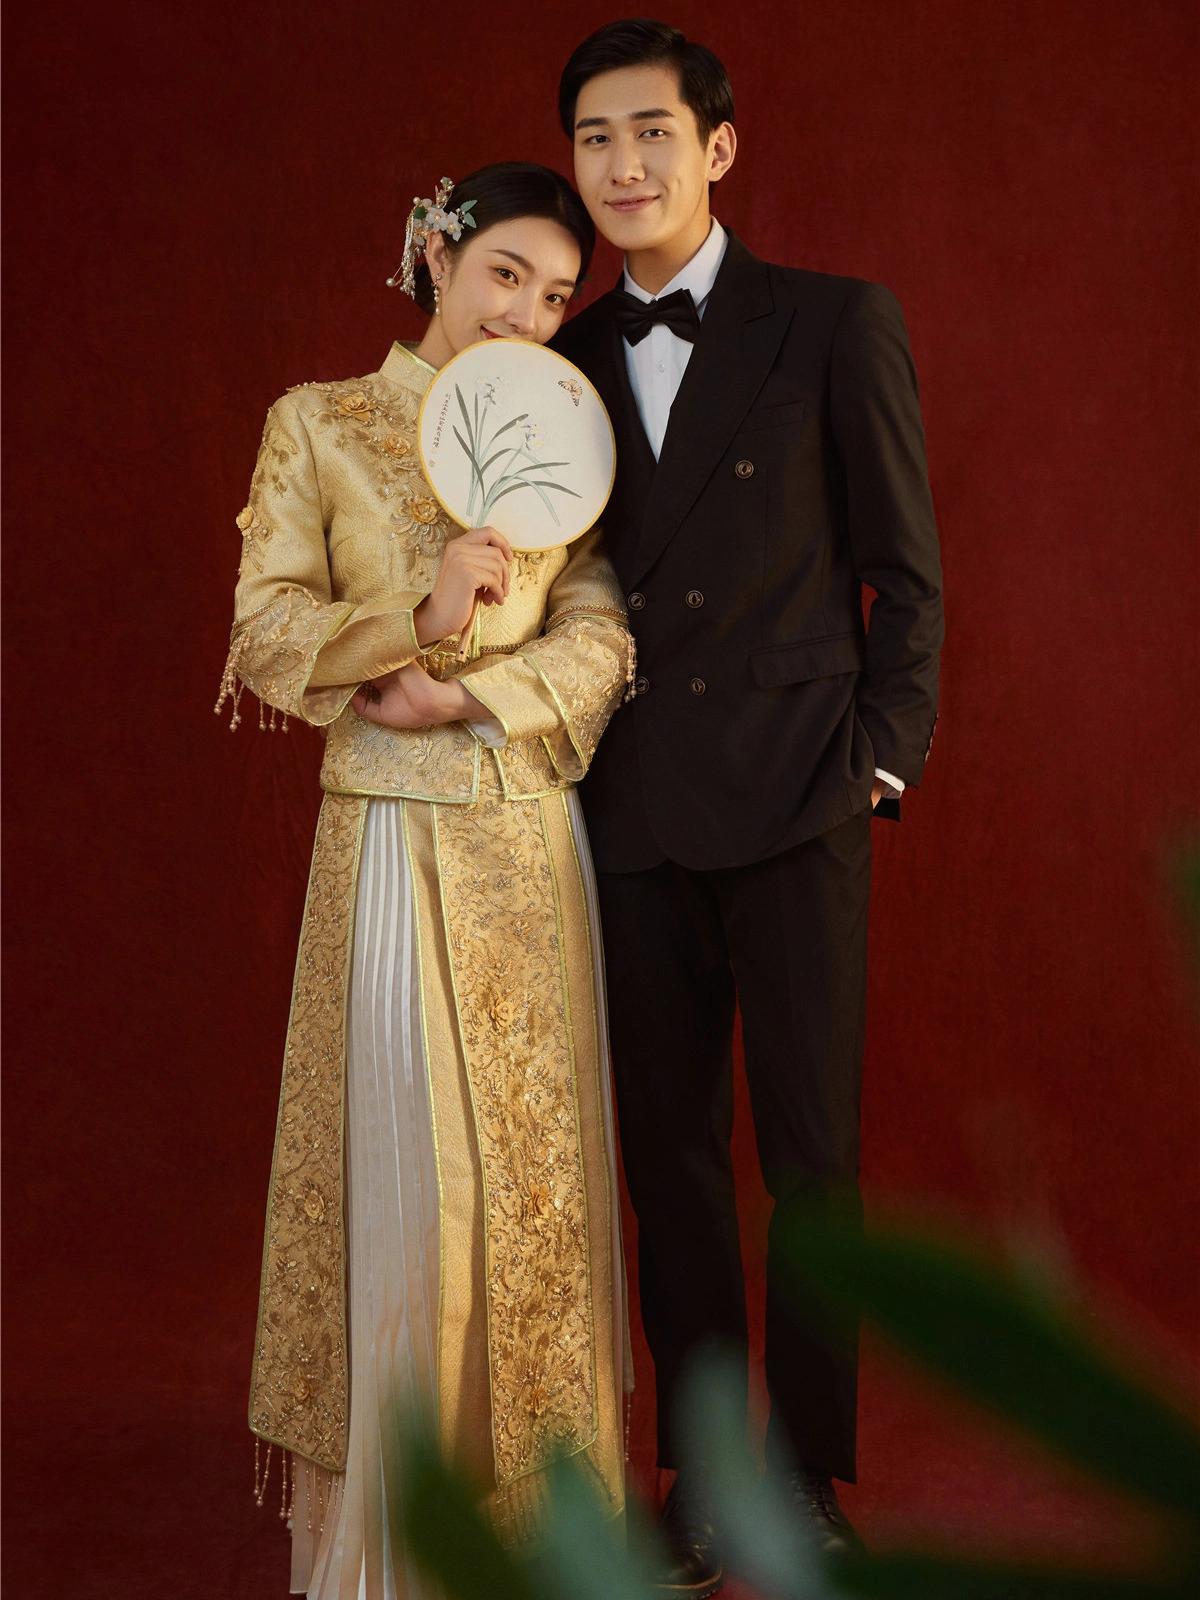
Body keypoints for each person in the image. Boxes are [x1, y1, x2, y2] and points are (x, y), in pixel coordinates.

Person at [551, 20, 945, 1593]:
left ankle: (808, 1478)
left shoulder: (836, 321)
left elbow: (907, 571)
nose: (624, 164)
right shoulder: (560, 359)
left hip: (798, 795)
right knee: (672, 1164)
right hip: (630, 807)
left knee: (811, 1166)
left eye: (652, 132)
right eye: (596, 138)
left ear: (718, 146)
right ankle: (704, 1480)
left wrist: (881, 759)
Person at [219, 162, 634, 1599]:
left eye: (557, 294)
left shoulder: (565, 442)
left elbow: (601, 629)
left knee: (535, 1189)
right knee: (410, 1184)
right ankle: (401, 1550)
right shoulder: (321, 423)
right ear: (434, 254)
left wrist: (469, 694)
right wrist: (418, 609)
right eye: (505, 273)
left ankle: (541, 1545)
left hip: (528, 845)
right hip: (388, 848)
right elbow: (264, 627)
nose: (528, 312)